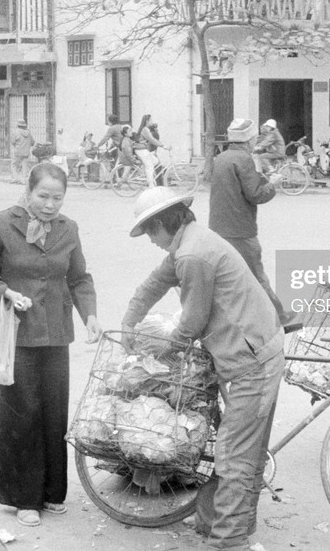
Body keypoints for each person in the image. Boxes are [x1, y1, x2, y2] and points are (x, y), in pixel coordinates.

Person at [122, 187, 284, 551]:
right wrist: (130, 321)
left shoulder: (194, 254)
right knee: (248, 449)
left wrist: (161, 356)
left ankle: (228, 542)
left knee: (235, 454)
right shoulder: (188, 241)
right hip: (253, 347)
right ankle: (222, 524)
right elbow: (155, 282)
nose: (151, 241)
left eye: (150, 232)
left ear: (165, 223)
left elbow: (191, 322)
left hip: (252, 360)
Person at [0, 163, 100, 528]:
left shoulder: (68, 228)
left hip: (56, 333)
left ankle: (52, 491)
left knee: (55, 411)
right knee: (22, 411)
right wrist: (5, 293)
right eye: (43, 196)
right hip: (18, 333)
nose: (49, 205)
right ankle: (24, 497)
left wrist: (89, 314)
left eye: (57, 198)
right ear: (28, 192)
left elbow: (79, 278)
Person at [209, 118, 300, 333]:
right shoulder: (244, 159)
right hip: (240, 229)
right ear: (248, 140)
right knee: (257, 277)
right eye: (253, 138)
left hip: (218, 228)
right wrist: (273, 184)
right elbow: (257, 195)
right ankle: (281, 318)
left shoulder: (221, 158)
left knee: (225, 277)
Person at [134, 113, 165, 186]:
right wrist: (163, 145)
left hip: (142, 149)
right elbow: (152, 140)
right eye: (150, 120)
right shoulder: (145, 129)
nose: (152, 122)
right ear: (147, 121)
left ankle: (148, 176)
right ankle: (151, 185)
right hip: (141, 150)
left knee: (156, 161)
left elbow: (153, 139)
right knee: (150, 166)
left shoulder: (145, 129)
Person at [9, 119, 35, 184]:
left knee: (13, 164)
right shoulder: (29, 133)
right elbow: (32, 142)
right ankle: (24, 180)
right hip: (26, 152)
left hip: (18, 151)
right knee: (24, 165)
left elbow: (12, 142)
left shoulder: (15, 132)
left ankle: (15, 178)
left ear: (18, 125)